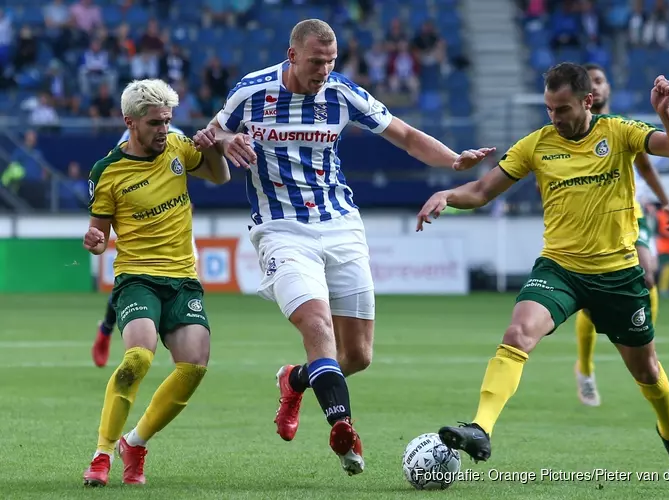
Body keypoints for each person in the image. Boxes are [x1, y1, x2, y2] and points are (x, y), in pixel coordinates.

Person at [192, 18, 494, 476]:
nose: (324, 71)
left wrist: (453, 158)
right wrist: (227, 139)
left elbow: (407, 136)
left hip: (341, 226)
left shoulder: (341, 91)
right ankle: (344, 431)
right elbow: (207, 139)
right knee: (317, 325)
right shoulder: (251, 92)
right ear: (292, 56)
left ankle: (293, 380)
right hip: (280, 228)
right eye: (317, 62)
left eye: (331, 62)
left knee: (356, 356)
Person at [418, 63, 669, 476]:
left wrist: (666, 114)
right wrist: (447, 194)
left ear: (587, 101)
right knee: (517, 333)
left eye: (562, 109)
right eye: (549, 109)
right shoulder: (537, 144)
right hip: (560, 268)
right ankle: (481, 428)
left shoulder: (619, 132)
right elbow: (480, 190)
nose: (555, 117)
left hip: (618, 274)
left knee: (647, 370)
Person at [82, 78, 230, 487]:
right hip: (137, 277)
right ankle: (102, 453)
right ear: (130, 122)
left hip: (183, 278)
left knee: (194, 367)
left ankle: (136, 442)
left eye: (168, 121)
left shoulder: (180, 147)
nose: (164, 130)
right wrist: (95, 242)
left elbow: (220, 178)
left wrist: (214, 147)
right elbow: (98, 237)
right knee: (137, 359)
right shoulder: (107, 171)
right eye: (154, 123)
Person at [573, 63, 669, 407]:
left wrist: (666, 203)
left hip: (630, 214)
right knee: (592, 297)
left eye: (601, 81)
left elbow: (645, 166)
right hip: (593, 224)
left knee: (648, 273)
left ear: (608, 89)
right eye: (590, 83)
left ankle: (647, 345)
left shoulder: (622, 128)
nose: (597, 88)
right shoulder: (569, 130)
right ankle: (585, 368)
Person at [91, 123, 198, 368]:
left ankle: (178, 340)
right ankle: (106, 329)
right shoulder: (132, 139)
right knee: (135, 280)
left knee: (189, 276)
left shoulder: (177, 136)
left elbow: (182, 172)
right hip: (141, 224)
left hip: (176, 223)